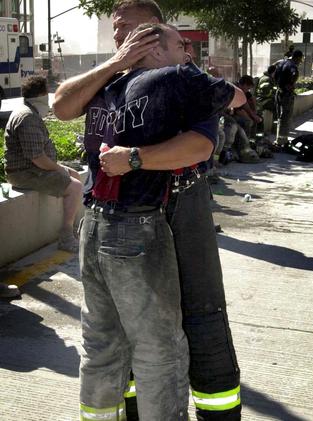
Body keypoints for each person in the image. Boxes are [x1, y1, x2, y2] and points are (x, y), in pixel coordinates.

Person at [53, 2, 244, 421]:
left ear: (154, 33)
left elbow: (205, 137)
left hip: (177, 211)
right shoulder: (108, 82)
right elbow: (62, 106)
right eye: (116, 28)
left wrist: (135, 158)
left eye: (128, 27)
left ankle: (217, 411)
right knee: (121, 338)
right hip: (113, 221)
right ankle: (133, 410)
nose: (118, 33)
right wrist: (115, 64)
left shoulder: (179, 78)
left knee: (196, 318)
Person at [4, 75, 83, 252]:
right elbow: (37, 158)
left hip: (31, 169)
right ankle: (66, 237)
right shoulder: (27, 117)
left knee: (75, 175)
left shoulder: (28, 111)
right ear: (41, 95)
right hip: (24, 173)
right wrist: (60, 168)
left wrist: (62, 169)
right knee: (75, 187)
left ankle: (74, 229)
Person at [275, 49, 303, 147]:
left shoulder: (281, 63)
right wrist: (290, 84)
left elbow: (273, 74)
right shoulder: (292, 66)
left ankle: (279, 139)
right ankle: (282, 141)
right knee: (285, 117)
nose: (299, 62)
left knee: (280, 116)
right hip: (286, 94)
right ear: (297, 58)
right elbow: (294, 74)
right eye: (299, 60)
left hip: (278, 92)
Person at [256, 65, 277, 137]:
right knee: (277, 108)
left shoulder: (268, 78)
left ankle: (274, 129)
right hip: (263, 101)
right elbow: (266, 93)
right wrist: (274, 94)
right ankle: (275, 129)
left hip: (263, 100)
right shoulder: (266, 79)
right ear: (274, 72)